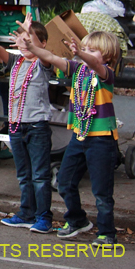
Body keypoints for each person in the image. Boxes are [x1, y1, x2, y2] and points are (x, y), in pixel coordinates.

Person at [18, 29, 121, 248]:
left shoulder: (106, 74)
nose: (85, 53)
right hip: (79, 136)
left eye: (92, 50)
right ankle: (77, 220)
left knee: (102, 191)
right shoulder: (78, 70)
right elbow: (53, 58)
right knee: (64, 182)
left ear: (108, 57)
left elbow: (95, 65)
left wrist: (82, 54)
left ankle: (106, 232)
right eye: (84, 49)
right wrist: (32, 47)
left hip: (102, 139)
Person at [0, 13, 54, 234]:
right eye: (21, 40)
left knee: (40, 174)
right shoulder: (15, 61)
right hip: (16, 125)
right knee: (23, 173)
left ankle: (44, 217)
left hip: (37, 126)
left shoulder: (43, 64)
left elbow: (47, 56)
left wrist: (30, 38)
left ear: (42, 43)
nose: (25, 44)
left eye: (30, 40)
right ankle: (27, 213)